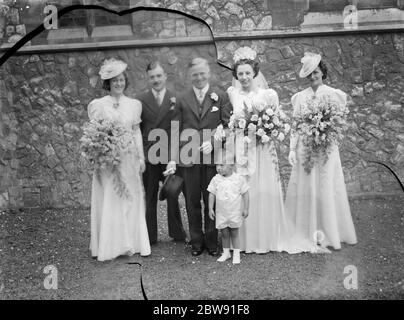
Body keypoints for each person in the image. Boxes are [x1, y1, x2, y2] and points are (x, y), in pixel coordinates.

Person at [228, 47, 325, 254]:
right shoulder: (233, 94)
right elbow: (235, 123)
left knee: (263, 190)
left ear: (254, 73)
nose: (244, 77)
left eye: (247, 73)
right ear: (236, 75)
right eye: (240, 73)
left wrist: (263, 129)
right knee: (245, 190)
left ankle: (267, 238)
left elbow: (276, 121)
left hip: (262, 152)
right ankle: (245, 240)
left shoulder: (268, 94)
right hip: (243, 151)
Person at [285, 52, 357, 250]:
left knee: (326, 185)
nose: (313, 77)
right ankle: (307, 230)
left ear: (322, 72)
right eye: (309, 74)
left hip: (326, 149)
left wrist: (326, 129)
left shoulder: (334, 94)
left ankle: (329, 231)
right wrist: (292, 148)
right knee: (308, 185)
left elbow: (339, 122)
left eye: (315, 72)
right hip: (306, 149)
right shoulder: (300, 97)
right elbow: (296, 124)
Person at [88, 58, 150, 261]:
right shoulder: (98, 105)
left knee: (131, 198)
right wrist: (100, 152)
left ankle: (132, 241)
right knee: (112, 197)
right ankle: (112, 244)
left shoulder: (134, 105)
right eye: (114, 80)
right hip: (109, 160)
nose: (118, 83)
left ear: (126, 81)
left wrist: (141, 157)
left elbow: (136, 132)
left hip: (129, 158)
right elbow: (95, 134)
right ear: (108, 83)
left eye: (121, 79)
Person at [171, 57, 232, 256]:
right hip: (189, 159)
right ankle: (196, 242)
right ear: (190, 76)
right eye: (195, 74)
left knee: (212, 199)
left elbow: (228, 127)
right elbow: (174, 129)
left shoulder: (220, 96)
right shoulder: (181, 98)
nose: (199, 77)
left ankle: (212, 243)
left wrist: (214, 141)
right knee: (192, 201)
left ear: (209, 73)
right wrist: (173, 157)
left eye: (202, 73)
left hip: (213, 158)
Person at [139, 61, 186, 245]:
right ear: (148, 78)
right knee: (150, 196)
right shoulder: (141, 100)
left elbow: (178, 130)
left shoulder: (176, 98)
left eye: (159, 76)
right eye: (152, 77)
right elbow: (139, 131)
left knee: (173, 194)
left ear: (165, 76)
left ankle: (177, 233)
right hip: (150, 157)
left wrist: (174, 158)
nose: (156, 80)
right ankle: (149, 237)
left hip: (169, 157)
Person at [208, 157, 249, 264]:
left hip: (234, 211)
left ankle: (236, 253)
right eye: (217, 165)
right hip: (221, 212)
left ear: (231, 165)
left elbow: (245, 193)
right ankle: (226, 253)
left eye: (222, 165)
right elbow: (211, 193)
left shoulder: (238, 179)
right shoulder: (216, 179)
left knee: (234, 233)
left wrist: (246, 208)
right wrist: (210, 208)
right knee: (224, 233)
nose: (218, 168)